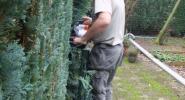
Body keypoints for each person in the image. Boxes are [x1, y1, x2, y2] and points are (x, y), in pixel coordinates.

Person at [73, 0, 125, 100]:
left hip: (105, 52)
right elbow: (112, 18)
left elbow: (104, 20)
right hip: (116, 49)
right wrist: (93, 20)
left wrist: (83, 39)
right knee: (106, 87)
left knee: (98, 91)